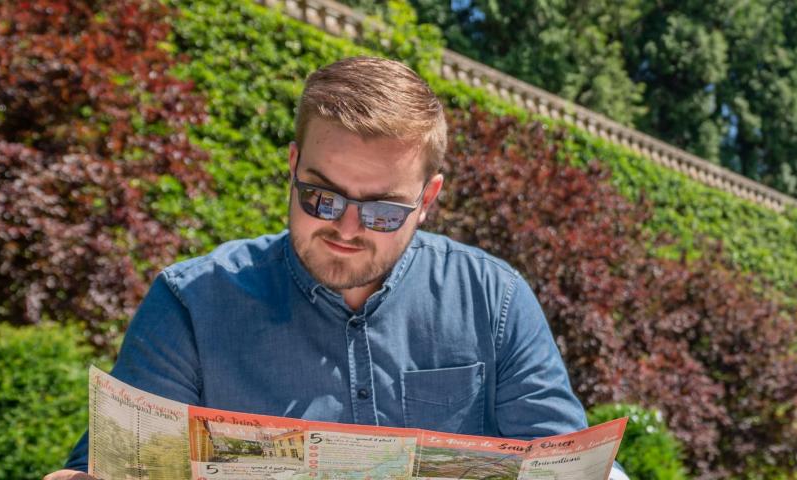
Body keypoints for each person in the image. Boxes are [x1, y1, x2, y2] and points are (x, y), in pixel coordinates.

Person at [46, 57, 617, 479]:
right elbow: (117, 466)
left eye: (384, 211)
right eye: (322, 197)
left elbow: (563, 463)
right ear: (293, 165)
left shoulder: (494, 300)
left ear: (428, 198)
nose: (347, 228)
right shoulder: (193, 304)